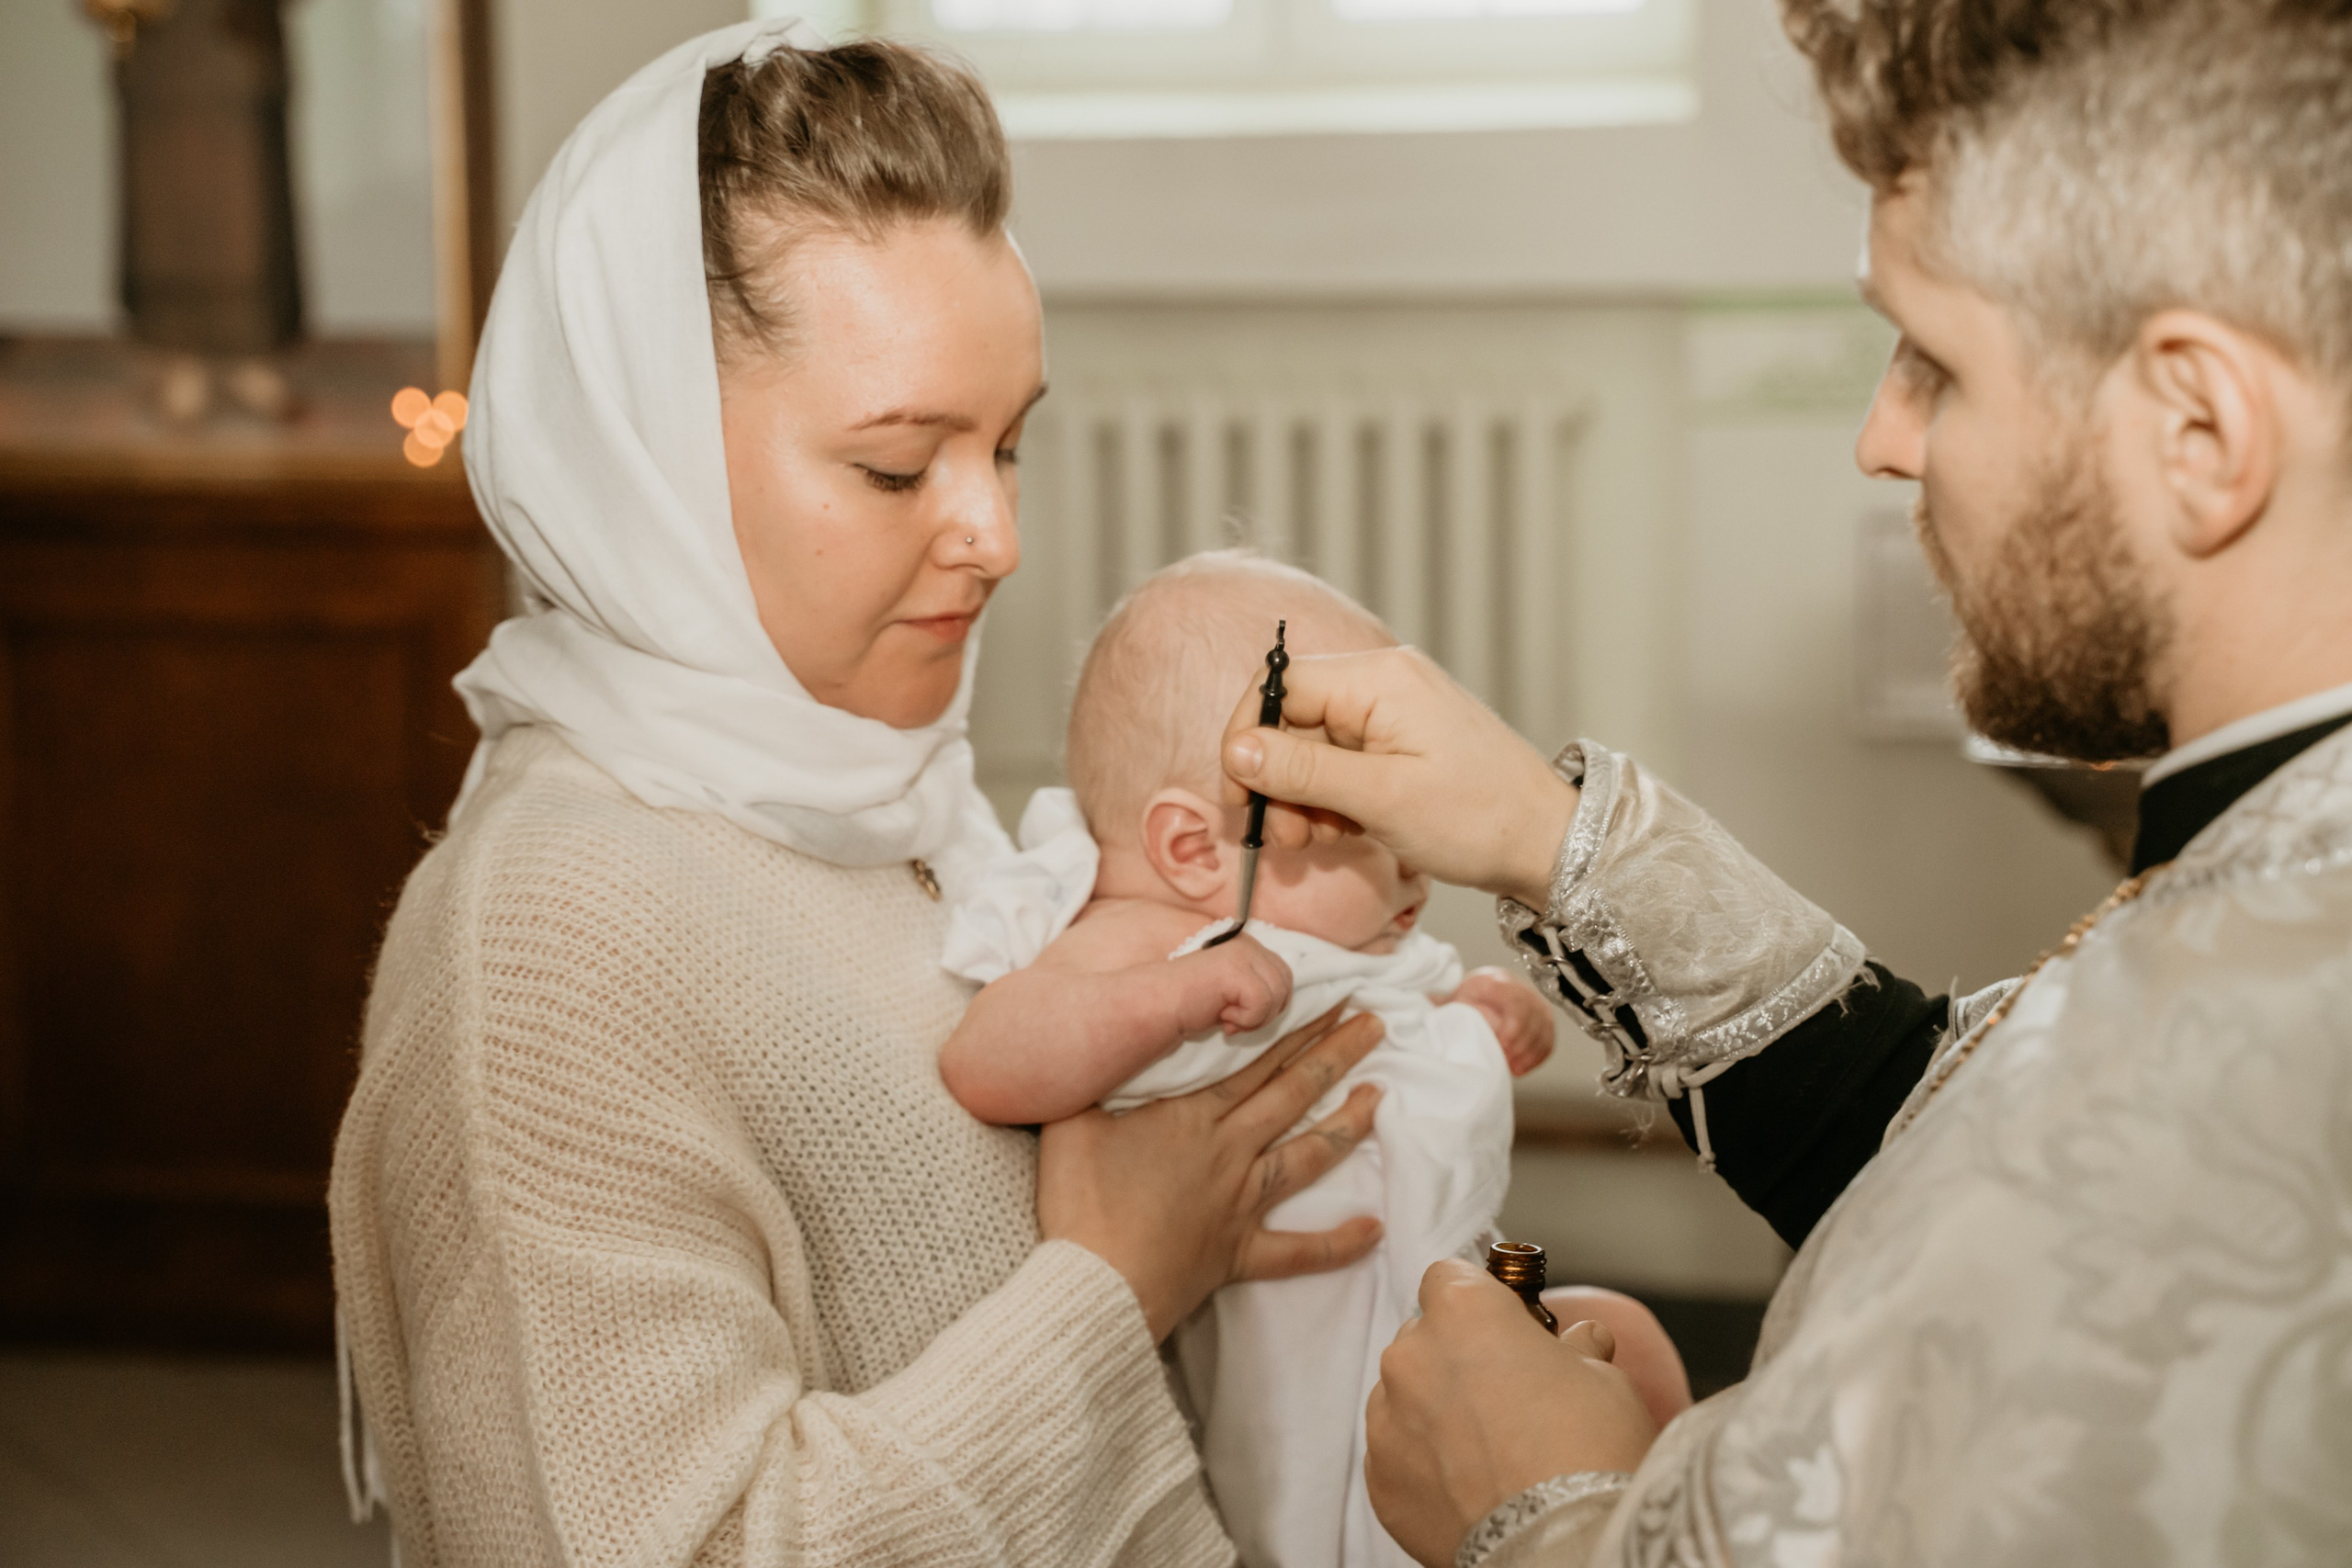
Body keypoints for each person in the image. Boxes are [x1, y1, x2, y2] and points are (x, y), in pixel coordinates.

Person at [1212, 1, 2352, 1562]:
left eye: (1936, 364)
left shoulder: (2234, 1108)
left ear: (2201, 428)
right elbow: (1967, 1128)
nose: (1884, 439)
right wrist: (1546, 839)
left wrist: (1538, 1506)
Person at [326, 25, 1391, 1568]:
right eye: (899, 469)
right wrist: (1112, 1290)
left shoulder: (891, 806)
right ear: (653, 465)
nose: (996, 532)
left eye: (1011, 443)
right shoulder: (548, 953)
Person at [934, 552, 1560, 1568]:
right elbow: (989, 1058)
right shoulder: (1144, 936)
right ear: (1193, 853)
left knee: (1622, 1359)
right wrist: (1167, 997)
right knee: (1323, 1505)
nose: (1420, 864)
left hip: (1418, 1291)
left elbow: (1420, 998)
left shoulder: (1354, 935)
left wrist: (1487, 1004)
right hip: (1295, 1350)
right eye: (1373, 831)